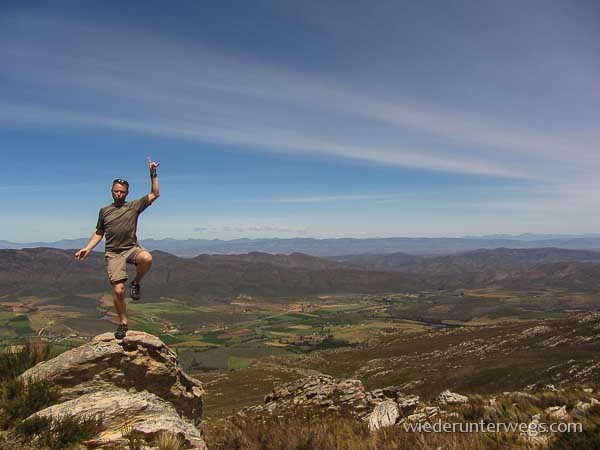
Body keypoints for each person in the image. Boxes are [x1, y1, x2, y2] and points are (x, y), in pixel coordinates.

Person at [75, 159, 160, 339]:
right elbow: (99, 232)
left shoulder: (134, 206)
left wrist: (153, 174)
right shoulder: (104, 211)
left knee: (147, 258)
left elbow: (155, 193)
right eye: (116, 191)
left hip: (131, 248)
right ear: (111, 191)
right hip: (113, 253)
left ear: (127, 192)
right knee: (119, 290)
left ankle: (136, 282)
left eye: (122, 191)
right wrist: (87, 248)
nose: (119, 194)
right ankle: (123, 323)